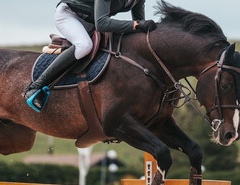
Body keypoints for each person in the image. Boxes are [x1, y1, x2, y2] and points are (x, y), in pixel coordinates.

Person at [23, 0, 157, 110]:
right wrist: (137, 25)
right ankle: (36, 86)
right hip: (69, 15)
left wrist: (146, 28)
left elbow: (139, 24)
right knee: (84, 46)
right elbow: (102, 24)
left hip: (90, 20)